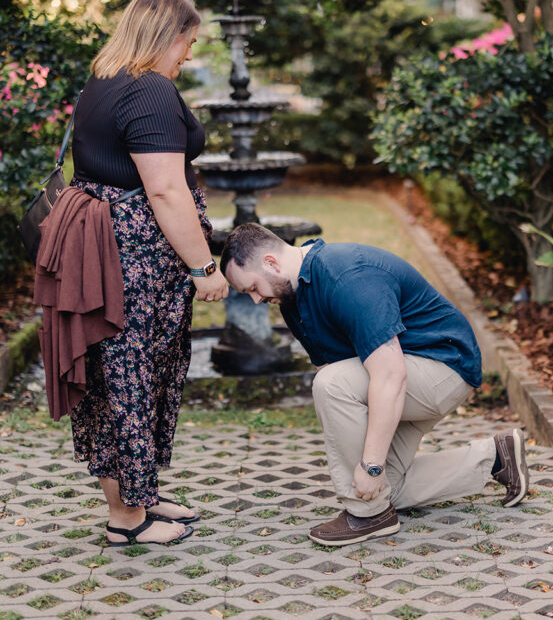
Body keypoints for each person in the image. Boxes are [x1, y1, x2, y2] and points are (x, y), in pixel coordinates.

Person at [220, 223, 529, 546]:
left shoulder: (347, 277)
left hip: (443, 369)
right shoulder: (293, 299)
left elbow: (388, 374)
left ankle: (368, 516)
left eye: (252, 288)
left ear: (271, 263)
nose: (256, 300)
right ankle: (496, 457)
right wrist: (373, 472)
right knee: (384, 489)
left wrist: (370, 465)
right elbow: (340, 365)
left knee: (331, 387)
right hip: (403, 377)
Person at [68, 0, 228, 547]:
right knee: (128, 377)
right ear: (169, 36)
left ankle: (142, 494)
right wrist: (205, 268)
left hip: (105, 251)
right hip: (133, 259)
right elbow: (164, 192)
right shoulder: (151, 91)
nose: (190, 55)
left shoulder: (105, 80)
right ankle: (127, 521)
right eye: (189, 42)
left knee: (120, 375)